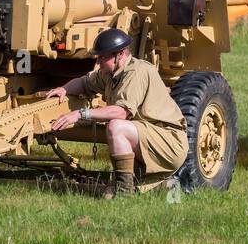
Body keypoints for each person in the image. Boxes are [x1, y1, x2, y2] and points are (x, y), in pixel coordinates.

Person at [45, 28, 188, 199]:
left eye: (103, 57)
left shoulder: (136, 72)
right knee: (107, 194)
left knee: (116, 127)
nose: (98, 61)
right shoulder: (111, 72)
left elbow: (121, 112)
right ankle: (138, 185)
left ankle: (124, 191)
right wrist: (64, 89)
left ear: (120, 55)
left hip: (168, 142)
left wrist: (80, 114)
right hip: (149, 138)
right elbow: (84, 83)